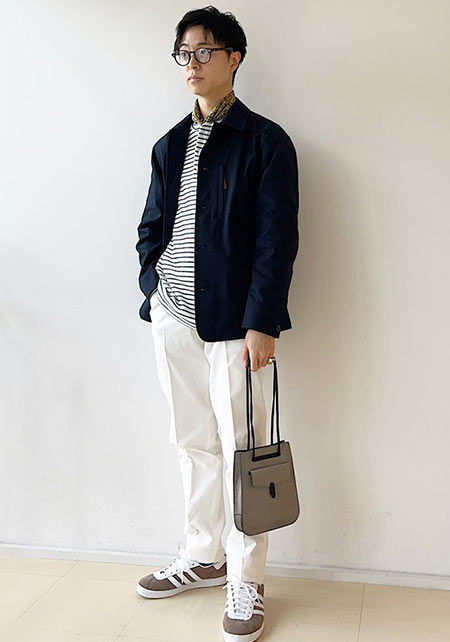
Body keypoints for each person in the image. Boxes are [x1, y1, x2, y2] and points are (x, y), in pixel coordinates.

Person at [134, 6, 299, 641]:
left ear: (234, 58)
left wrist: (263, 320)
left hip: (236, 322)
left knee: (244, 451)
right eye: (184, 53)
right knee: (192, 441)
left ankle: (247, 578)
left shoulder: (266, 142)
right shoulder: (169, 144)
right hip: (172, 316)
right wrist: (152, 287)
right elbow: (151, 225)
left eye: (205, 51)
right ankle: (204, 556)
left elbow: (276, 241)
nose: (192, 64)